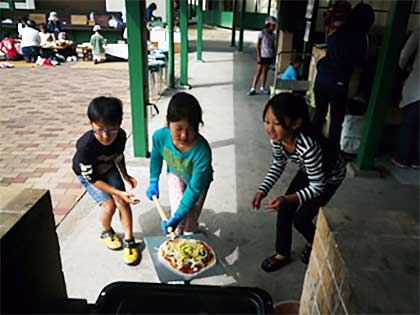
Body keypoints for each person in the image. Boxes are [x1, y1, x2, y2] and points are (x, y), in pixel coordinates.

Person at [252, 93, 346, 272]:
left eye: (277, 123)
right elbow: (278, 164)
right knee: (285, 211)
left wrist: (288, 198)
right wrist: (262, 190)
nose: (270, 129)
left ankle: (315, 243)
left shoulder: (308, 146)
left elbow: (317, 186)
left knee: (301, 220)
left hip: (329, 177)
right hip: (308, 169)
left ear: (295, 123)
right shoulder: (278, 139)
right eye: (267, 121)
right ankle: (282, 253)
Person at [72, 96, 140, 265]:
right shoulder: (85, 146)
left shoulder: (121, 136)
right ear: (91, 123)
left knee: (123, 202)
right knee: (109, 204)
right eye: (100, 129)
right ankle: (107, 231)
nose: (105, 136)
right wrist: (118, 192)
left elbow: (118, 156)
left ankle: (129, 240)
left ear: (119, 123)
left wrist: (125, 175)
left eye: (111, 129)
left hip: (108, 167)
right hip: (89, 175)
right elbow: (93, 179)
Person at [146, 92, 213, 236]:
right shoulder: (160, 137)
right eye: (178, 129)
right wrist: (153, 180)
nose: (184, 135)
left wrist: (179, 216)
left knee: (189, 222)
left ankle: (190, 231)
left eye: (191, 129)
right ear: (168, 122)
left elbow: (194, 189)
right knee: (176, 220)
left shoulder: (202, 151)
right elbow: (156, 157)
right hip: (176, 174)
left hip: (198, 184)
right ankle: (176, 238)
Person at [312, 3, 374, 150]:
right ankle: (331, 153)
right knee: (336, 120)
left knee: (319, 115)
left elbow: (327, 56)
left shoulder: (337, 30)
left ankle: (311, 147)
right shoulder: (361, 37)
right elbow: (361, 62)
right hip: (338, 83)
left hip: (321, 80)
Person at [392, 28, 420, 169]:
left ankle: (402, 158)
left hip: (417, 86)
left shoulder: (419, 32)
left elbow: (404, 55)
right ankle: (417, 161)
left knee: (409, 124)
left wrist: (403, 68)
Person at [248, 16, 277, 96]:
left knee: (265, 72)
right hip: (263, 55)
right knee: (258, 71)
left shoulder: (273, 36)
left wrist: (274, 57)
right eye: (273, 25)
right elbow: (258, 45)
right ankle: (253, 88)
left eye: (274, 26)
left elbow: (273, 46)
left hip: (269, 55)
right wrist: (258, 56)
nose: (274, 27)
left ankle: (262, 88)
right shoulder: (262, 33)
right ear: (268, 24)